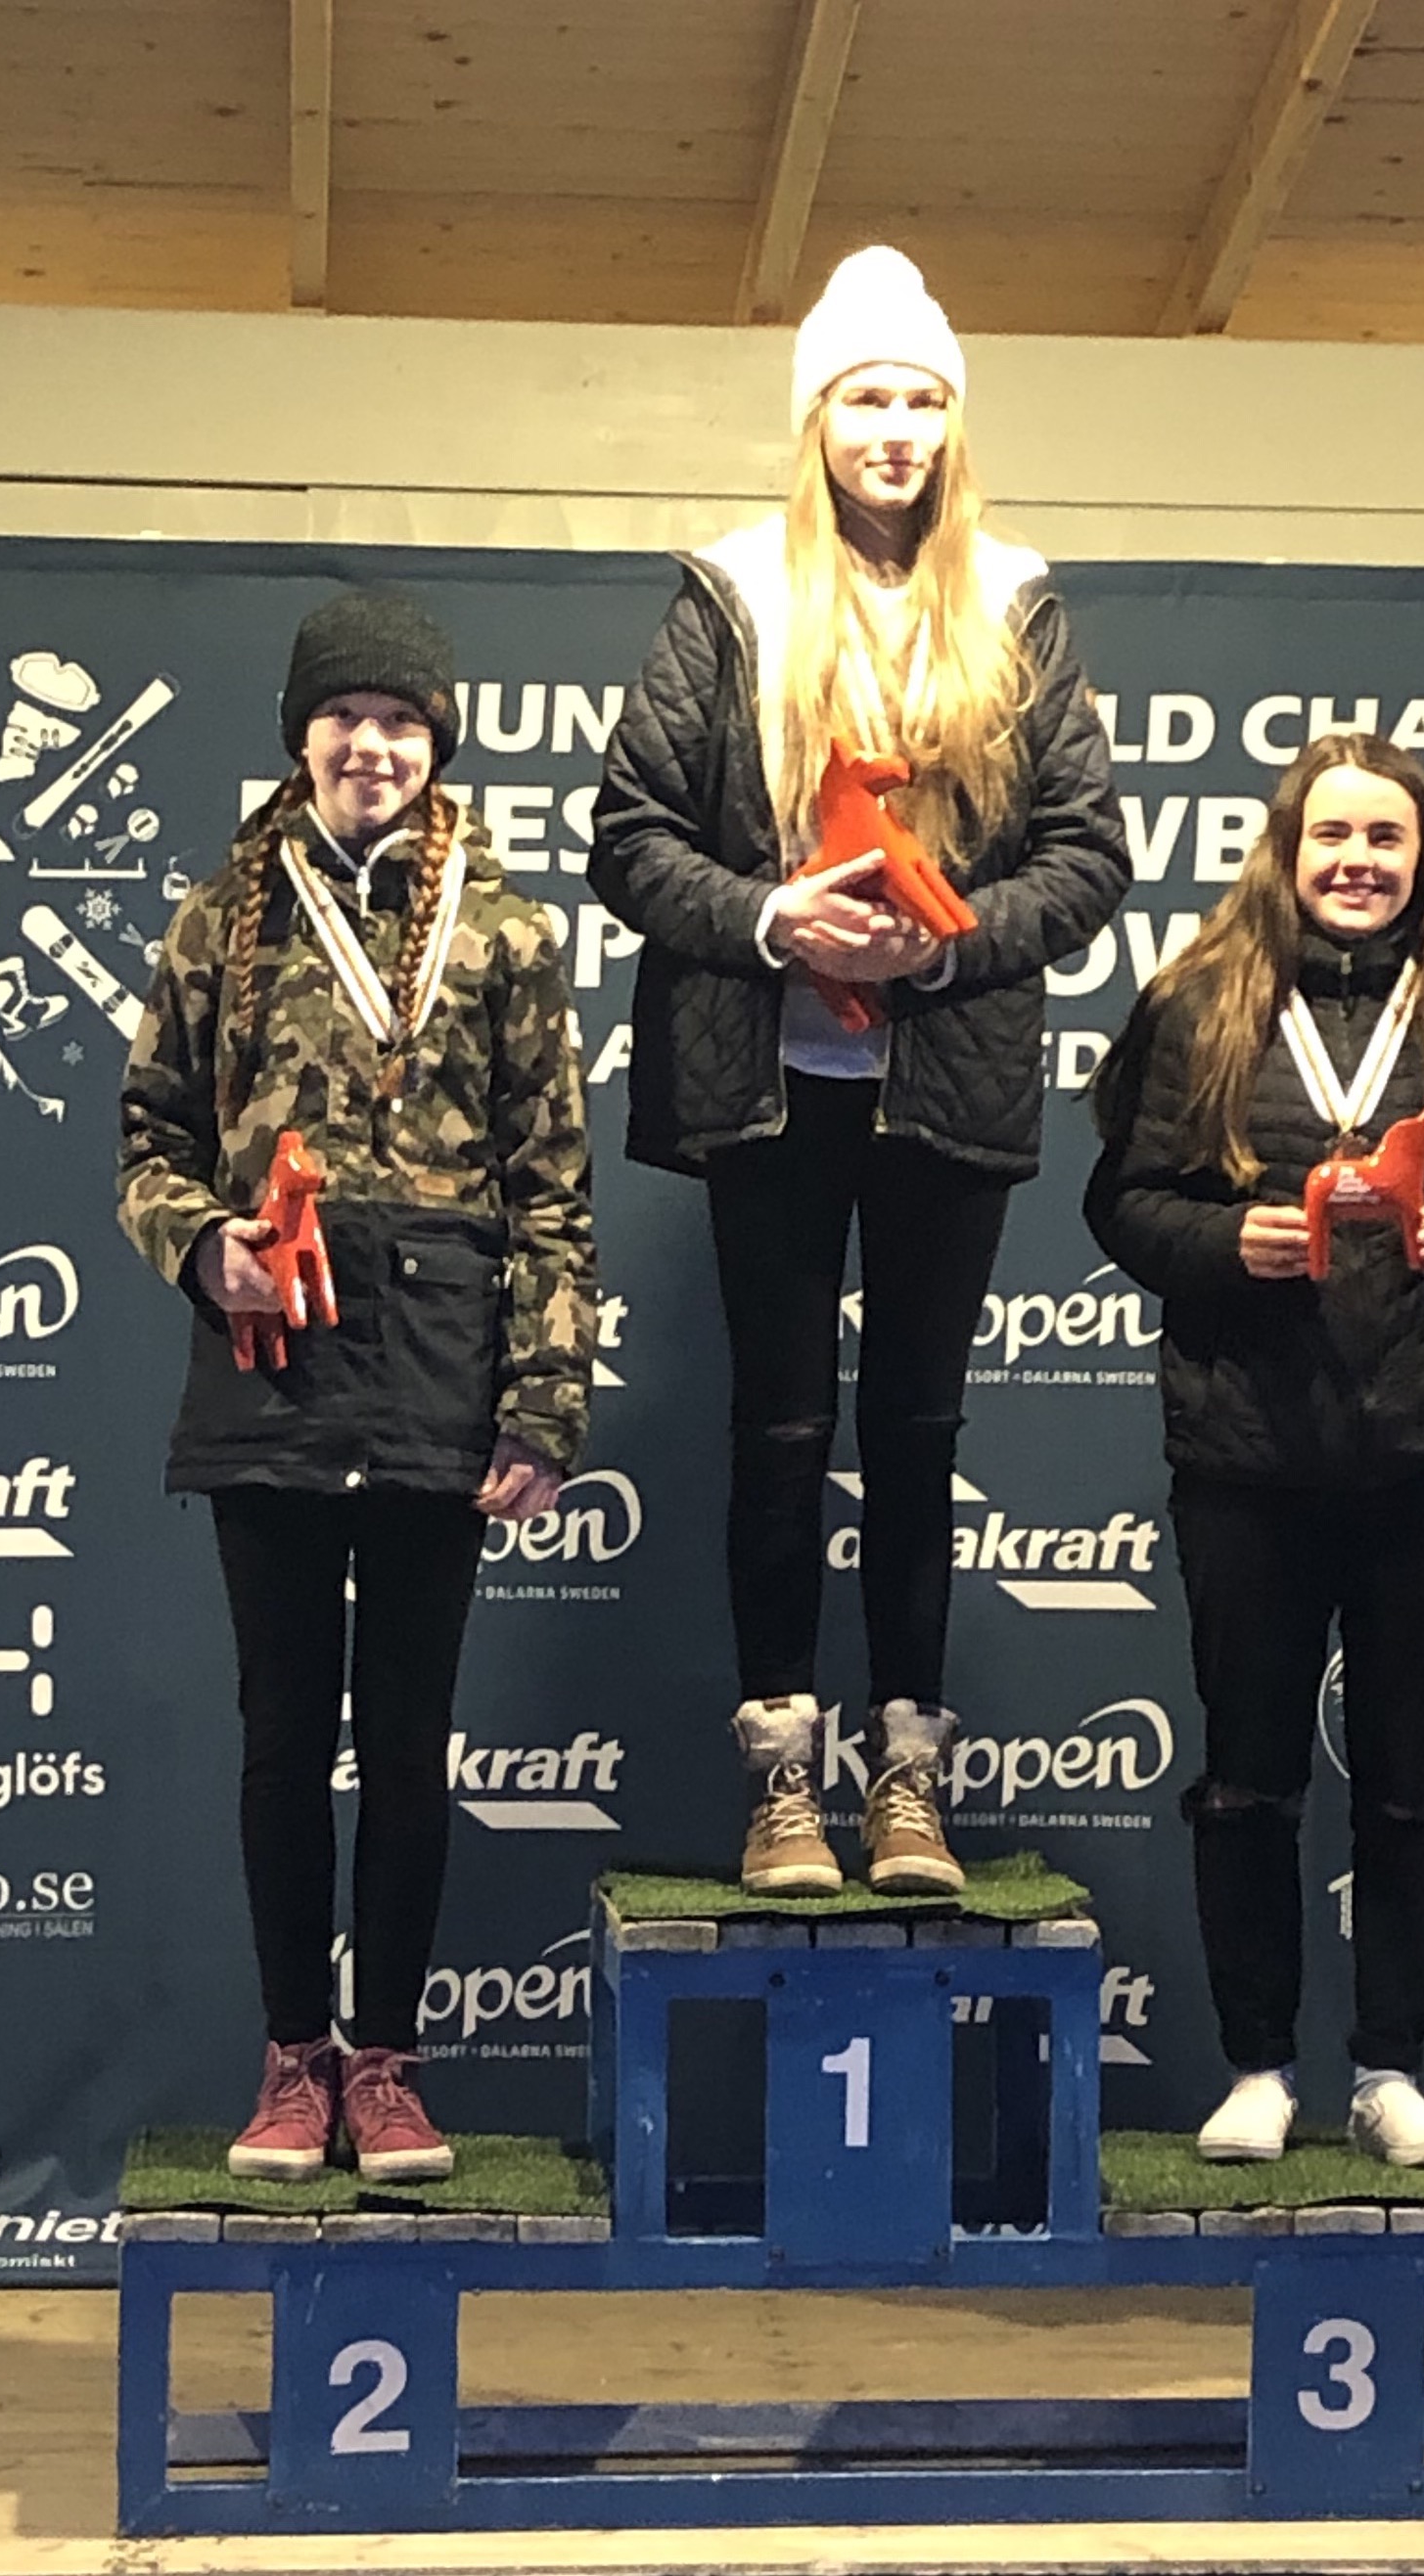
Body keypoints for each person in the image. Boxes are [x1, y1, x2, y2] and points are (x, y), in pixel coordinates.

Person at [593, 246, 1129, 1897]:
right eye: (864, 399)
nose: (892, 431)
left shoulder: (1017, 598)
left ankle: (907, 1783)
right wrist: (772, 923)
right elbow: (631, 835)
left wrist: (944, 947)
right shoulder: (733, 590)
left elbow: (1084, 855)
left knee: (912, 1428)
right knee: (774, 1426)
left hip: (944, 1081)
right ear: (815, 417)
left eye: (919, 402)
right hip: (769, 1077)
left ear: (950, 427)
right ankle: (780, 1787)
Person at [117, 590, 597, 2183]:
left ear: (436, 745)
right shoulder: (215, 919)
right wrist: (203, 1248)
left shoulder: (509, 930)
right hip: (270, 1364)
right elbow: (146, 1143)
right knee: (276, 1737)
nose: (373, 745)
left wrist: (542, 1408)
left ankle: (385, 2064)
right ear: (301, 738)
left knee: (405, 1739)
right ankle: (287, 2061)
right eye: (346, 718)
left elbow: (553, 1193)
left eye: (402, 722)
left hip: (438, 1369)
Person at [1085, 731, 1424, 2168]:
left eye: (1386, 840)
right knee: (1244, 1775)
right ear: (1284, 853)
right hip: (1250, 1448)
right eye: (1331, 839)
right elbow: (1120, 1205)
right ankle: (1256, 2064)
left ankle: (1388, 2068)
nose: (1357, 864)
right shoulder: (1198, 1003)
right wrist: (1219, 1242)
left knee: (1415, 1778)